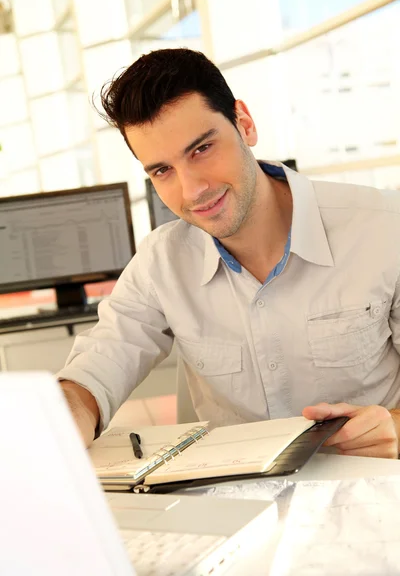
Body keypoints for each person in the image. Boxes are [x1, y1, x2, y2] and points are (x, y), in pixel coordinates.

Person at [59, 48, 400, 459]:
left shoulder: (383, 228)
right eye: (162, 170)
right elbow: (99, 366)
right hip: (238, 509)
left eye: (201, 149)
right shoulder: (161, 263)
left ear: (244, 123)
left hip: (371, 495)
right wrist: (68, 414)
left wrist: (394, 428)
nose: (192, 190)